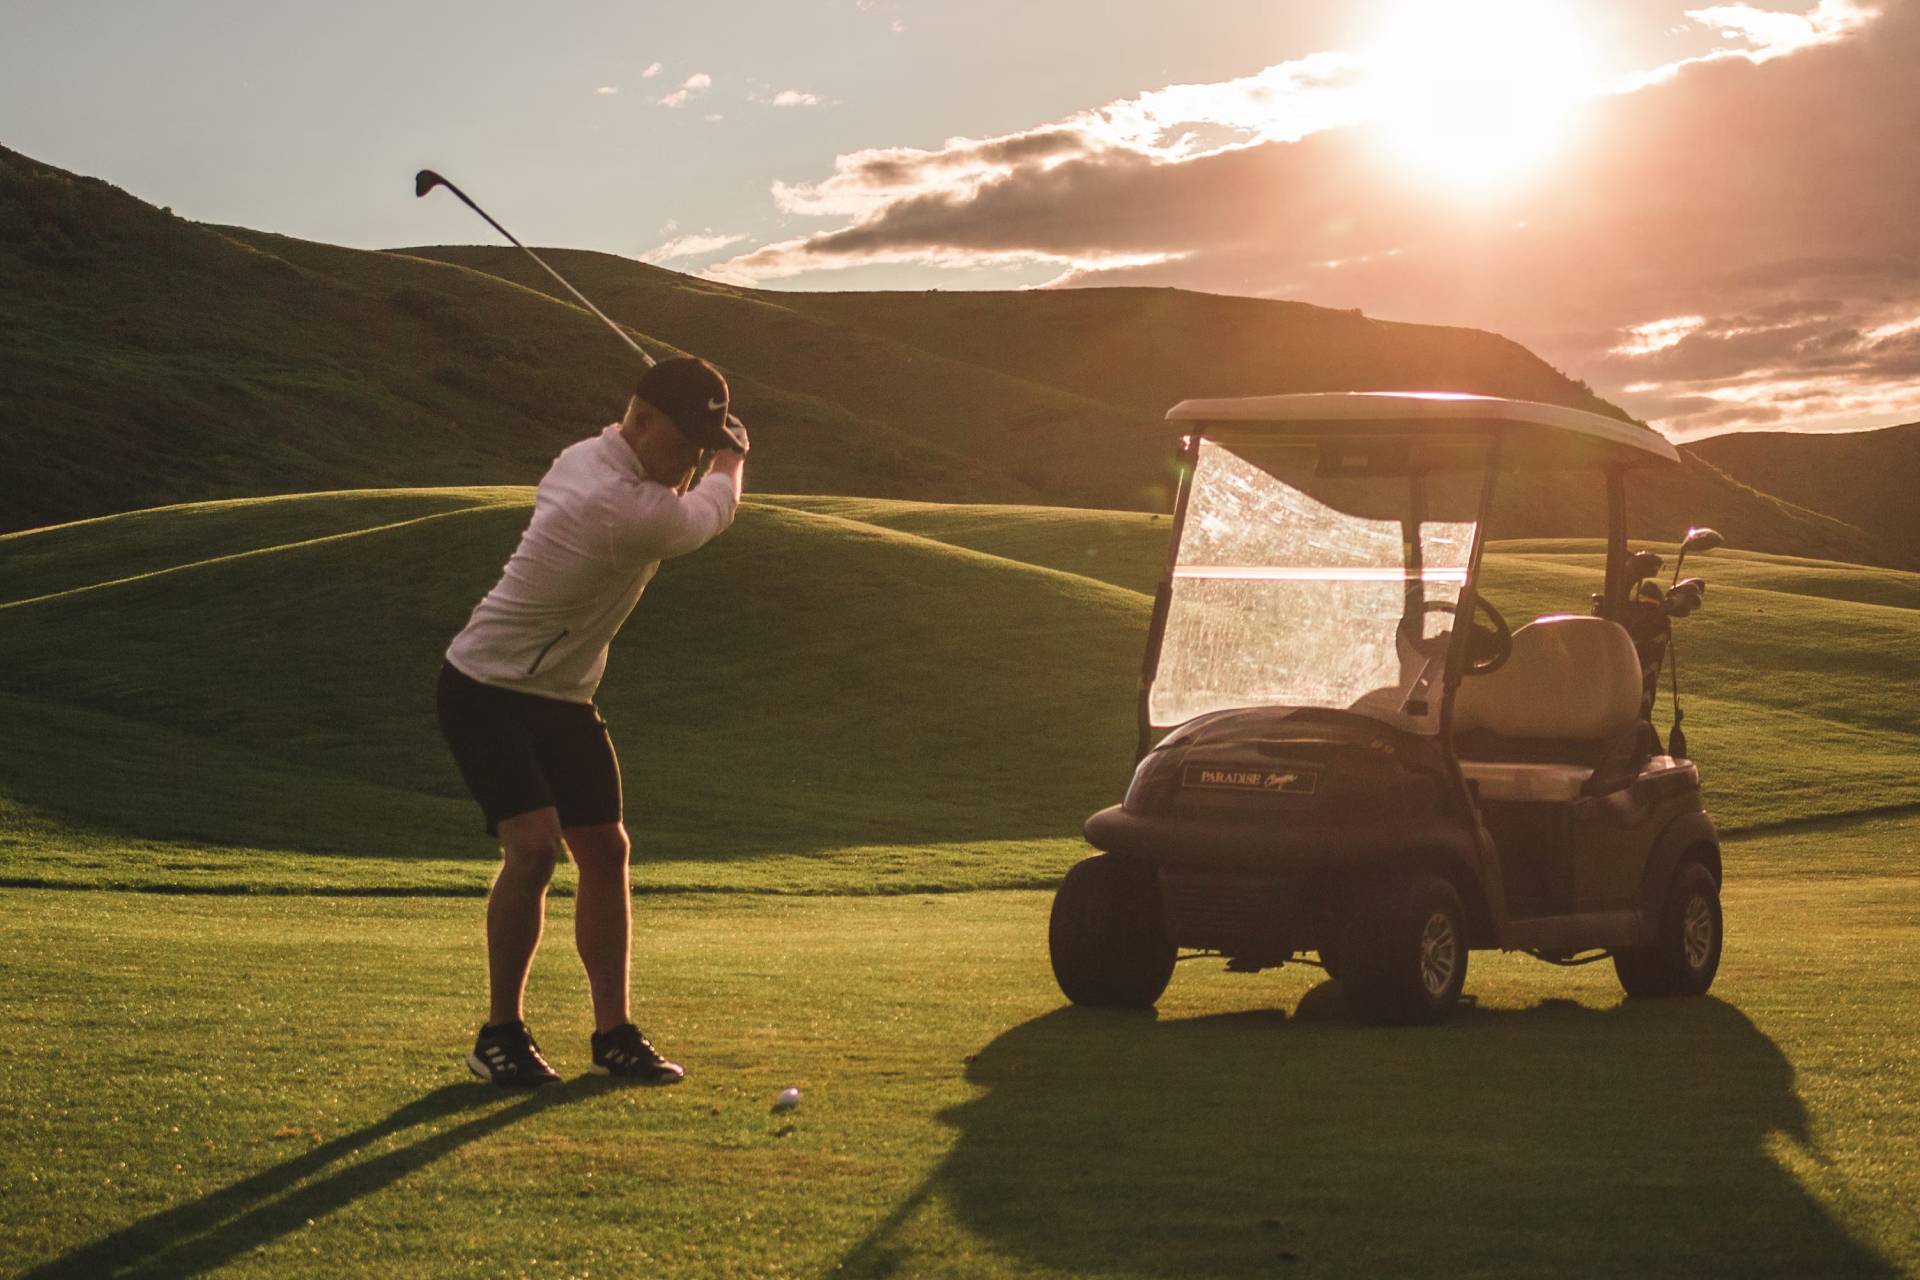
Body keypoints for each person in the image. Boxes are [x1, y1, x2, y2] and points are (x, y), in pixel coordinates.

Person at [435, 356, 748, 1086]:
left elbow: (677, 484)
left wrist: (705, 436)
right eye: (685, 442)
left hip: (563, 697)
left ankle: (613, 1035)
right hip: (486, 687)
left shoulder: (588, 456)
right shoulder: (617, 505)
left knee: (606, 852)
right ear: (638, 420)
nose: (694, 459)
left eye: (705, 446)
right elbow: (707, 516)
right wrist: (734, 458)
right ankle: (499, 1036)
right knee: (536, 850)